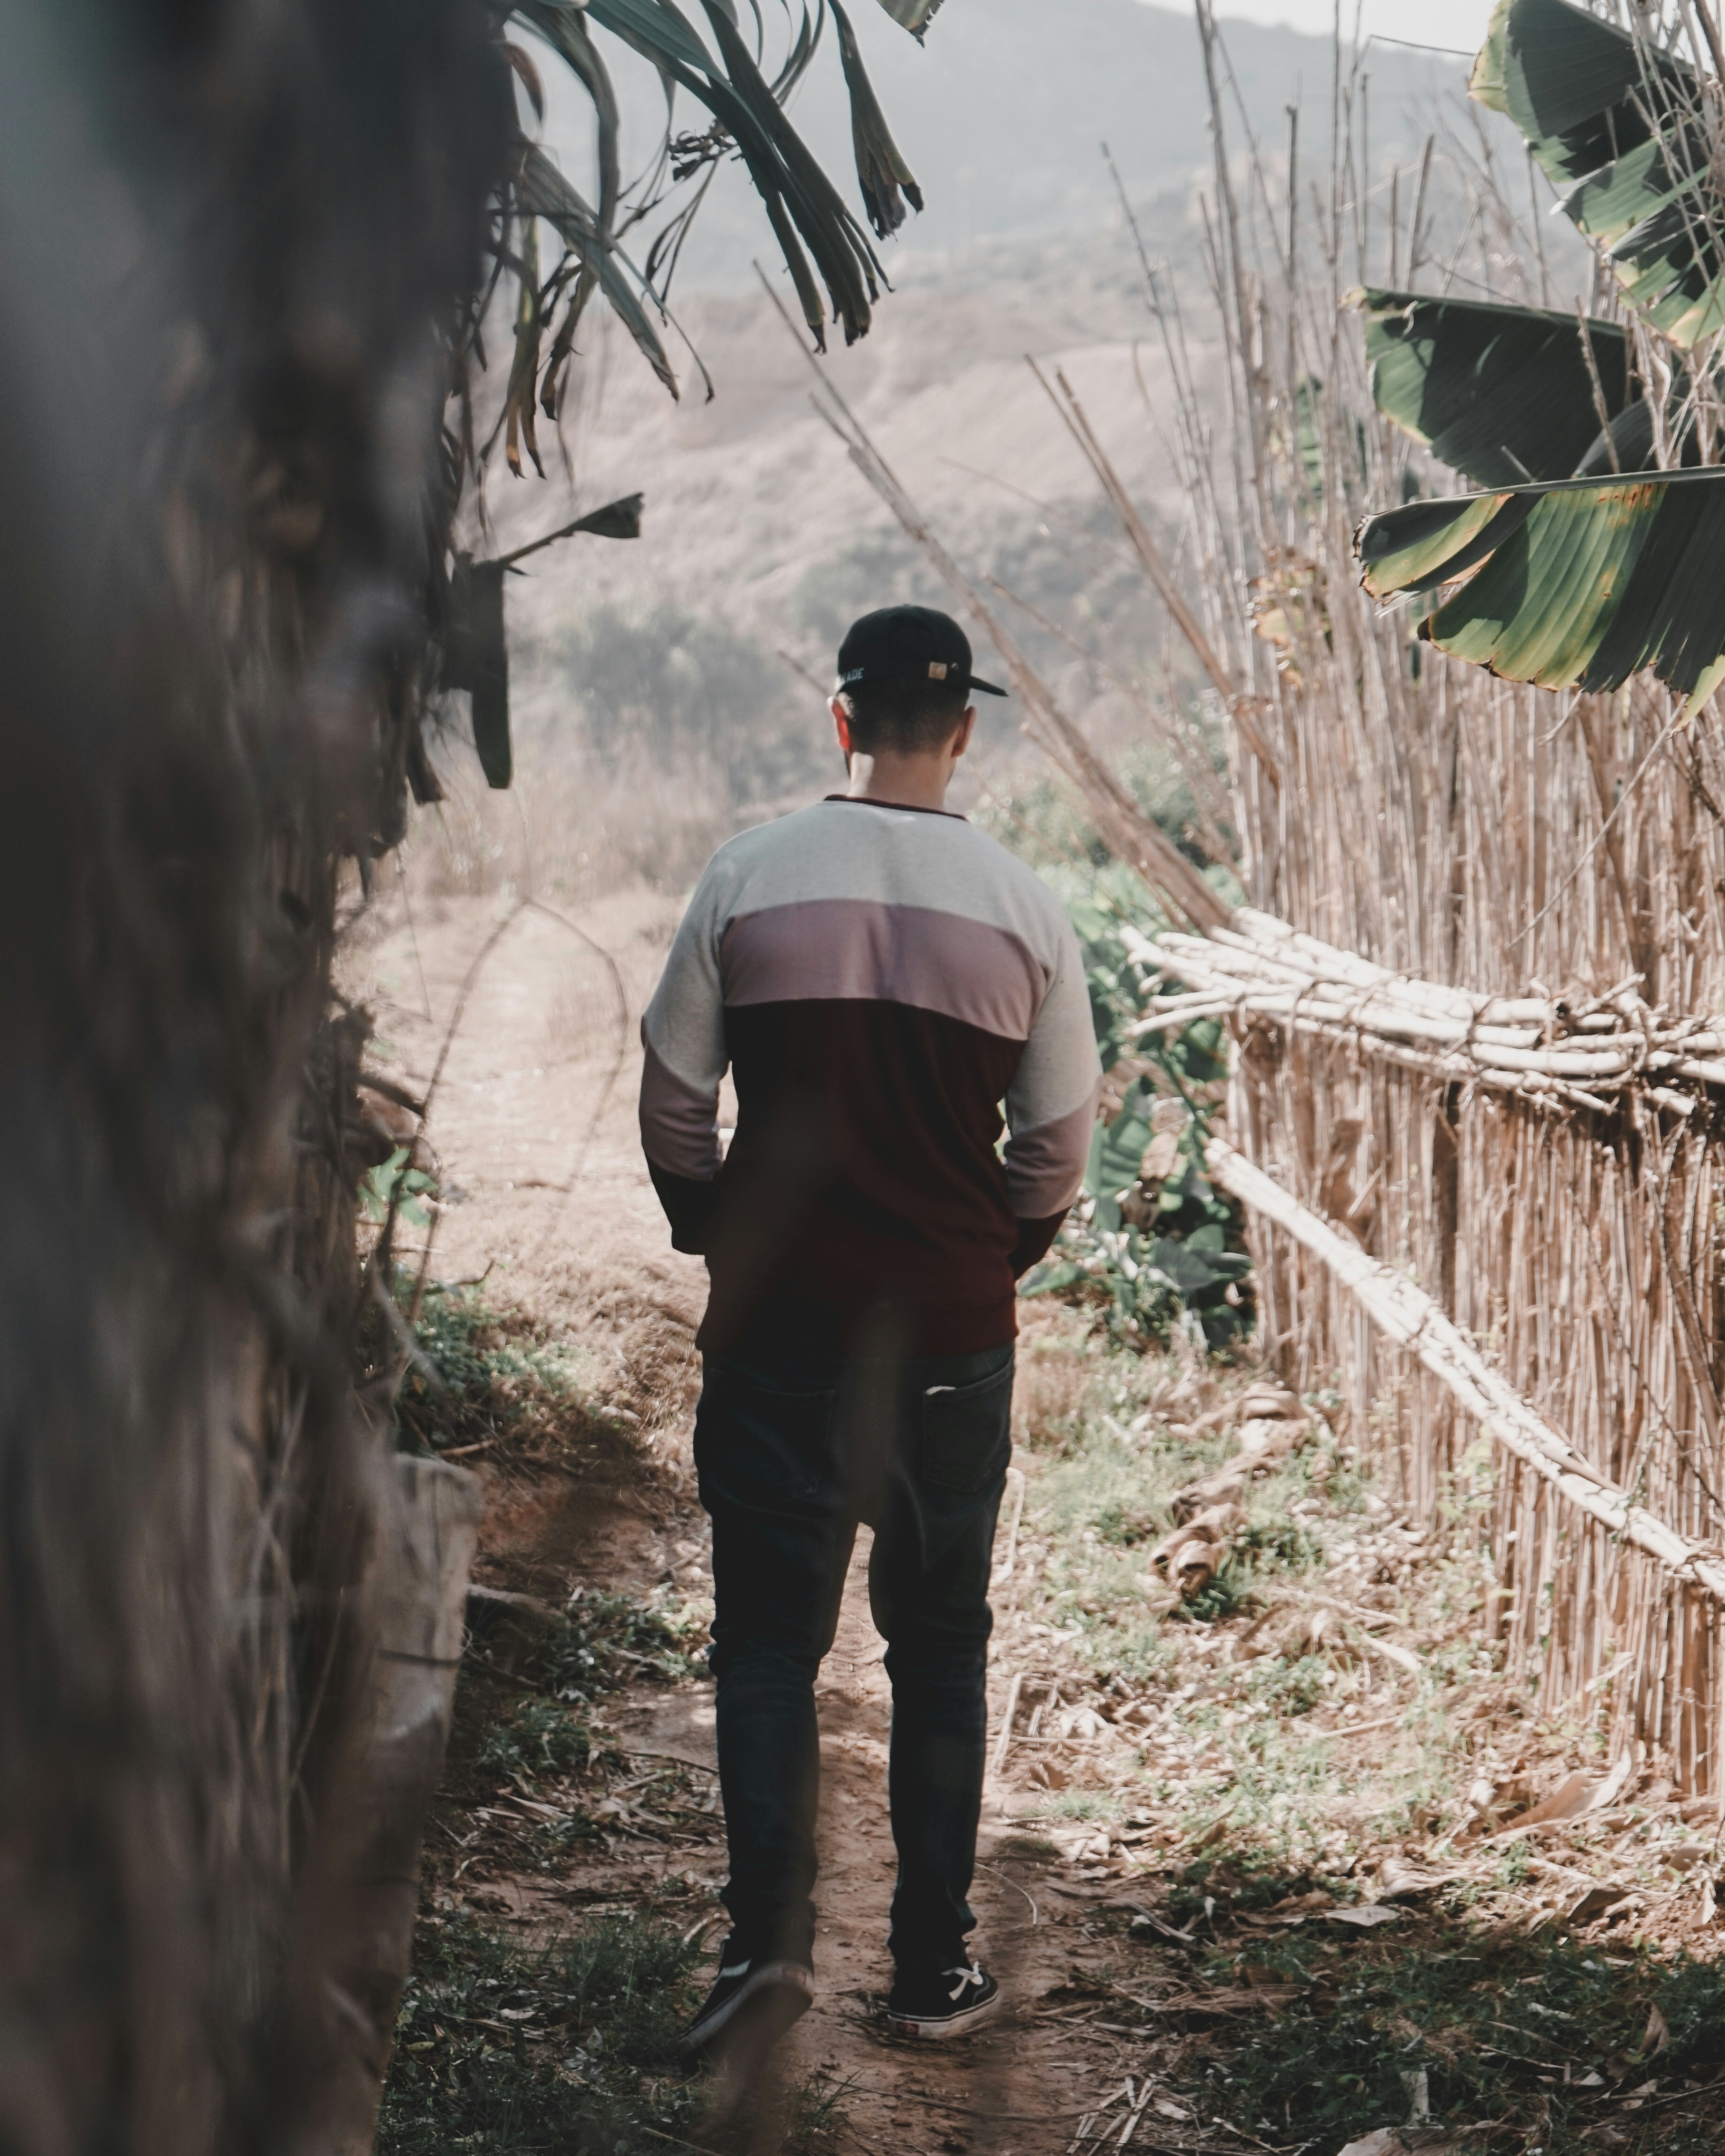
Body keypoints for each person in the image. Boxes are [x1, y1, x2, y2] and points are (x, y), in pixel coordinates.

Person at [638, 604, 1100, 2062]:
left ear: (840, 719)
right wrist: (987, 1260)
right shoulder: (1025, 908)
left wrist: (716, 1230)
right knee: (938, 1647)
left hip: (778, 1325)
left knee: (769, 1646)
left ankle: (764, 1951)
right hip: (950, 1337)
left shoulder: (746, 874)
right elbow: (1056, 1147)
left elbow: (673, 1100)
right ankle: (927, 1969)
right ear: (962, 732)